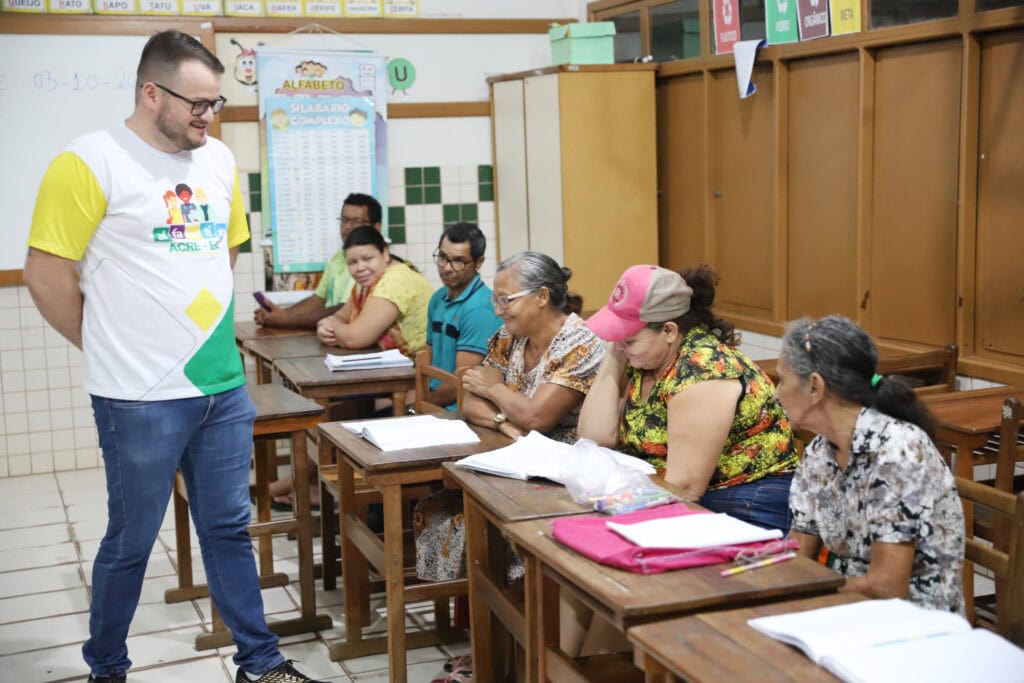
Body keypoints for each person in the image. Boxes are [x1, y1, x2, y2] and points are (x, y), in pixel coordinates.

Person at [22, 31, 323, 683]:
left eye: (216, 104)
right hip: (135, 396)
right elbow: (46, 275)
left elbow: (226, 252)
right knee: (132, 540)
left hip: (221, 387)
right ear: (151, 92)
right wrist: (108, 343)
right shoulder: (88, 162)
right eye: (198, 103)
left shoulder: (217, 161)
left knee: (228, 526)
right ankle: (108, 667)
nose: (208, 116)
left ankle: (260, 661)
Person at [580, 264, 798, 529]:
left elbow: (685, 488)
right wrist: (615, 352)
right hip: (678, 497)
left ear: (670, 331)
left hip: (743, 506)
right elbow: (595, 438)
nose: (623, 345)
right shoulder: (646, 355)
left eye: (630, 339)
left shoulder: (703, 369)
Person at [776, 316, 965, 613]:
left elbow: (886, 587)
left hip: (914, 624)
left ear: (815, 387)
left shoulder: (897, 452)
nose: (777, 394)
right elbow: (802, 547)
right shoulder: (819, 452)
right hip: (845, 607)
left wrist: (807, 589)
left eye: (782, 381)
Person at [461, 251, 605, 442]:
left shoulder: (581, 344)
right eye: (496, 301)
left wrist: (492, 388)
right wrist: (502, 423)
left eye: (506, 300)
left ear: (542, 297)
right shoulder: (508, 335)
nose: (497, 311)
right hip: (516, 446)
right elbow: (471, 402)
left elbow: (536, 418)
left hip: (567, 457)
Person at [254, 192, 382, 329]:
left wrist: (286, 320)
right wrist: (279, 314)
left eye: (357, 221)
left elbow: (345, 310)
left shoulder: (376, 264)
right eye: (344, 220)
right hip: (331, 334)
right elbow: (318, 300)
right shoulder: (338, 257)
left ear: (376, 227)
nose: (348, 226)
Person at [316, 225, 433, 354]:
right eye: (352, 262)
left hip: (419, 367)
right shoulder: (367, 282)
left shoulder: (395, 281)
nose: (360, 267)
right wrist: (324, 327)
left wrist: (330, 328)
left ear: (385, 254)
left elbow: (355, 338)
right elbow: (340, 317)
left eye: (367, 259)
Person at [424, 222, 502, 409]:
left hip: (460, 410)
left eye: (458, 261)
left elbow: (461, 381)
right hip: (432, 402)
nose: (447, 268)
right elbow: (427, 360)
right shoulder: (438, 298)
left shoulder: (480, 309)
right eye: (442, 257)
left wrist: (417, 406)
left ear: (479, 262)